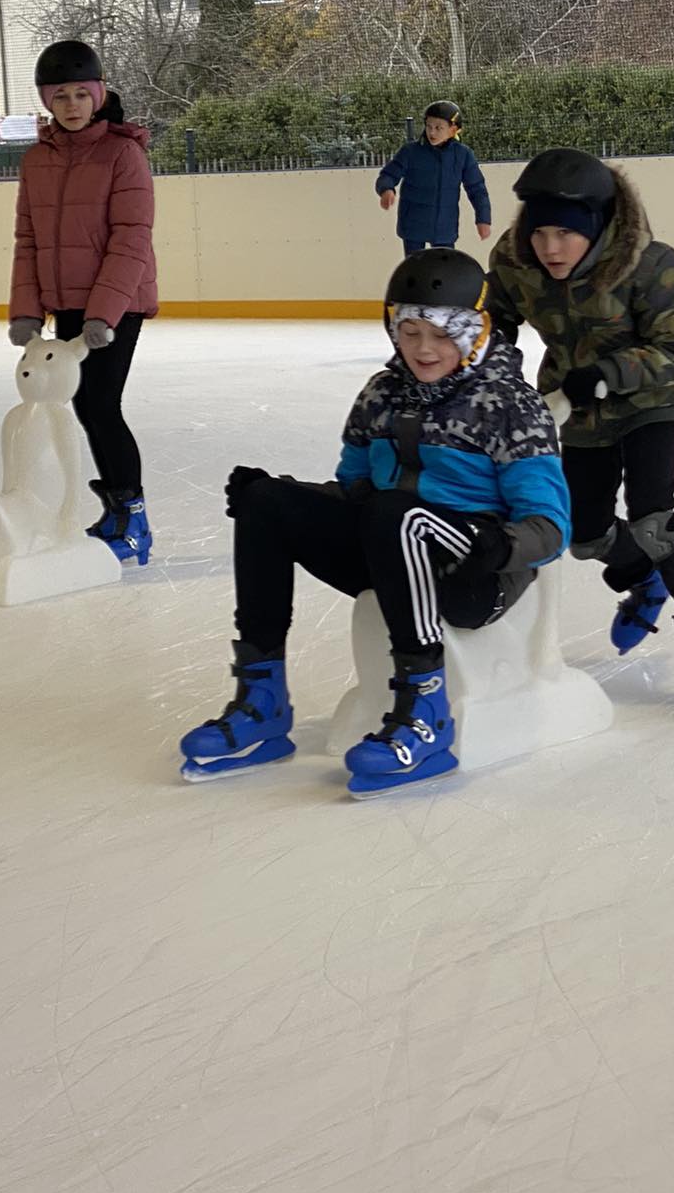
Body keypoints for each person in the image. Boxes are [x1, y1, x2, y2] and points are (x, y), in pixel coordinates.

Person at [179, 249, 571, 792]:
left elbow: (551, 528)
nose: (424, 349)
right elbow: (354, 491)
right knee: (264, 501)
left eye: (440, 333)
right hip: (392, 550)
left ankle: (425, 712)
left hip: (476, 574)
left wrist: (497, 545)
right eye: (409, 332)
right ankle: (262, 702)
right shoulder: (380, 396)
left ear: (473, 331)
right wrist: (294, 496)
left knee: (394, 513)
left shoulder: (511, 405)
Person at [485, 147, 674, 715]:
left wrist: (612, 373)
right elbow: (495, 326)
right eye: (540, 233)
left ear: (597, 224)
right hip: (577, 405)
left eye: (566, 233)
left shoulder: (649, 265)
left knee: (653, 516)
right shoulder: (514, 263)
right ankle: (645, 578)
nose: (550, 248)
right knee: (582, 533)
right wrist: (491, 376)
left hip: (654, 400)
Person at [7, 40, 158, 565]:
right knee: (83, 406)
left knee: (102, 405)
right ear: (47, 101)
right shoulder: (36, 161)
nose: (71, 105)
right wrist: (26, 310)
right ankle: (117, 509)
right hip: (66, 303)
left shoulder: (123, 154)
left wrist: (103, 314)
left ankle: (132, 518)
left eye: (80, 94)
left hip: (117, 306)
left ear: (98, 95)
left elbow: (131, 238)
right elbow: (28, 239)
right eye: (60, 96)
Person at [376, 101, 493, 255]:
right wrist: (386, 189)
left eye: (439, 128)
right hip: (413, 224)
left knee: (444, 270)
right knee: (414, 270)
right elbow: (388, 175)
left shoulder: (463, 155)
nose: (432, 132)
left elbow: (477, 189)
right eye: (429, 126)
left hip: (445, 226)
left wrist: (483, 219)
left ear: (453, 130)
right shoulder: (410, 152)